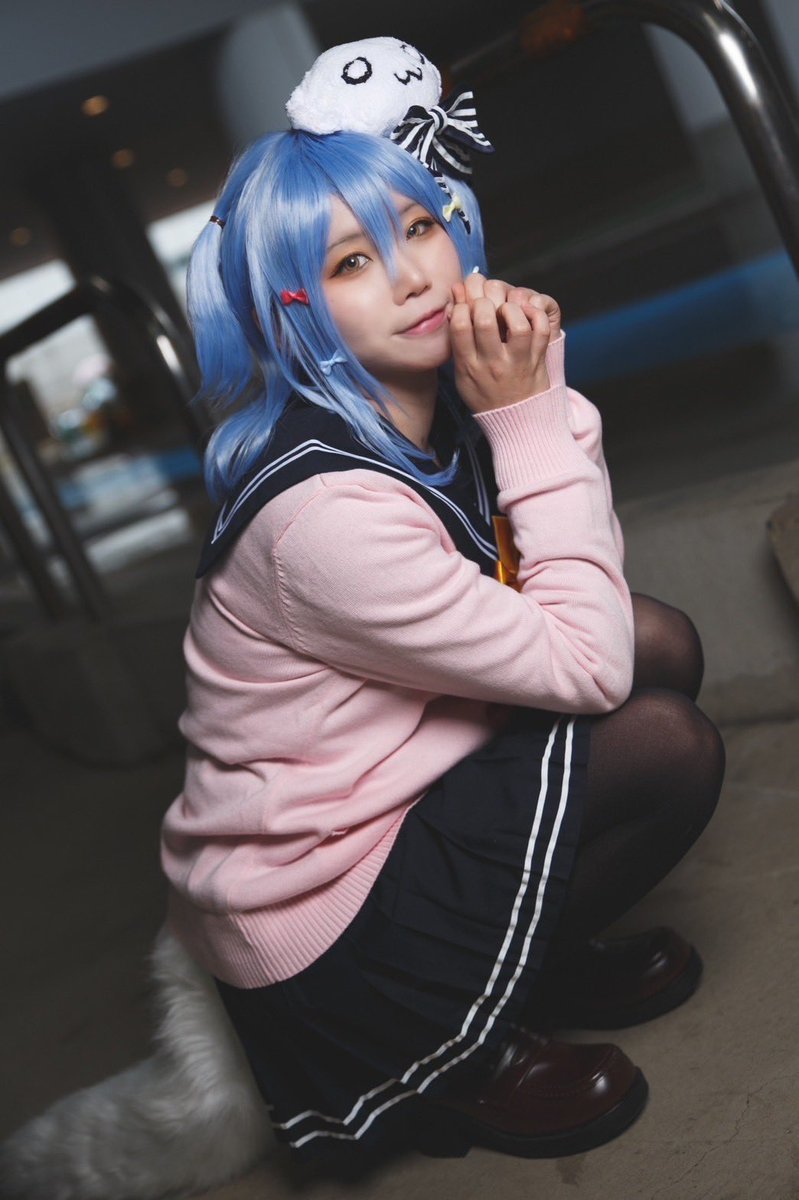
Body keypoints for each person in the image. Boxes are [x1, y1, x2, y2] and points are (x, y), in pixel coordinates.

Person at [160, 36, 725, 1167]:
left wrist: (525, 403)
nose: (415, 276)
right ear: (291, 308)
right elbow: (586, 666)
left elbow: (582, 601)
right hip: (321, 907)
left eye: (418, 228)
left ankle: (523, 959)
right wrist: (529, 415)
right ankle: (452, 1046)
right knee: (664, 739)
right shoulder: (323, 513)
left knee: (661, 638)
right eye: (352, 262)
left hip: (396, 789)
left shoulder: (417, 416)